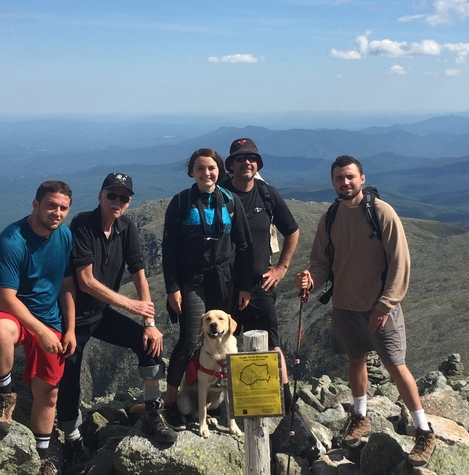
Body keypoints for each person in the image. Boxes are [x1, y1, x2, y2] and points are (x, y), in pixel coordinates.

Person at [294, 155, 436, 466]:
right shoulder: (330, 218)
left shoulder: (381, 213)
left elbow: (400, 262)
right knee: (355, 360)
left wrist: (385, 305)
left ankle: (424, 431)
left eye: (350, 177)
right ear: (333, 182)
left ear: (361, 178)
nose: (345, 183)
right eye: (339, 178)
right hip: (345, 306)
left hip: (378, 308)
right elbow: (321, 264)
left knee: (396, 366)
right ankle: (360, 416)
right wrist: (311, 280)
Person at [57, 173, 176, 470]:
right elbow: (84, 281)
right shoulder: (83, 224)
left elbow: (139, 272)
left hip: (101, 314)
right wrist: (130, 304)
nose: (118, 202)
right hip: (74, 317)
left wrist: (149, 322)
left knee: (148, 344)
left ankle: (151, 411)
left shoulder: (126, 226)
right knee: (69, 375)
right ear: (100, 196)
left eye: (124, 198)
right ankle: (71, 438)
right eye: (112, 195)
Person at [0, 180, 76, 475]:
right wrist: (42, 331)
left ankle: (43, 454)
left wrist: (69, 328)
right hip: (16, 313)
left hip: (51, 317)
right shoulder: (12, 239)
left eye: (63, 208)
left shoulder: (65, 237)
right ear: (35, 205)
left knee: (48, 393)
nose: (57, 213)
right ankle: (4, 396)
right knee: (0, 331)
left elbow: (67, 285)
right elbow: (5, 299)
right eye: (51, 205)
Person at [161, 148, 254, 426]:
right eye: (200, 169)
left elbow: (245, 245)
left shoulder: (231, 201)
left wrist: (245, 286)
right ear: (191, 171)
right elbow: (169, 249)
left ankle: (224, 403)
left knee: (226, 338)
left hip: (224, 278)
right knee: (191, 339)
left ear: (219, 171)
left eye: (211, 168)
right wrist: (172, 287)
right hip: (193, 279)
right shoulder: (180, 202)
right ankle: (171, 400)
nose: (206, 173)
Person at [220, 138, 300, 412]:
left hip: (259, 284)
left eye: (252, 158)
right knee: (222, 341)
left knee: (271, 342)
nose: (247, 163)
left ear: (258, 164)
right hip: (224, 284)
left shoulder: (268, 195)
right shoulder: (217, 194)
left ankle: (285, 401)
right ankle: (225, 402)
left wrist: (281, 268)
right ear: (230, 164)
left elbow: (292, 230)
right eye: (240, 158)